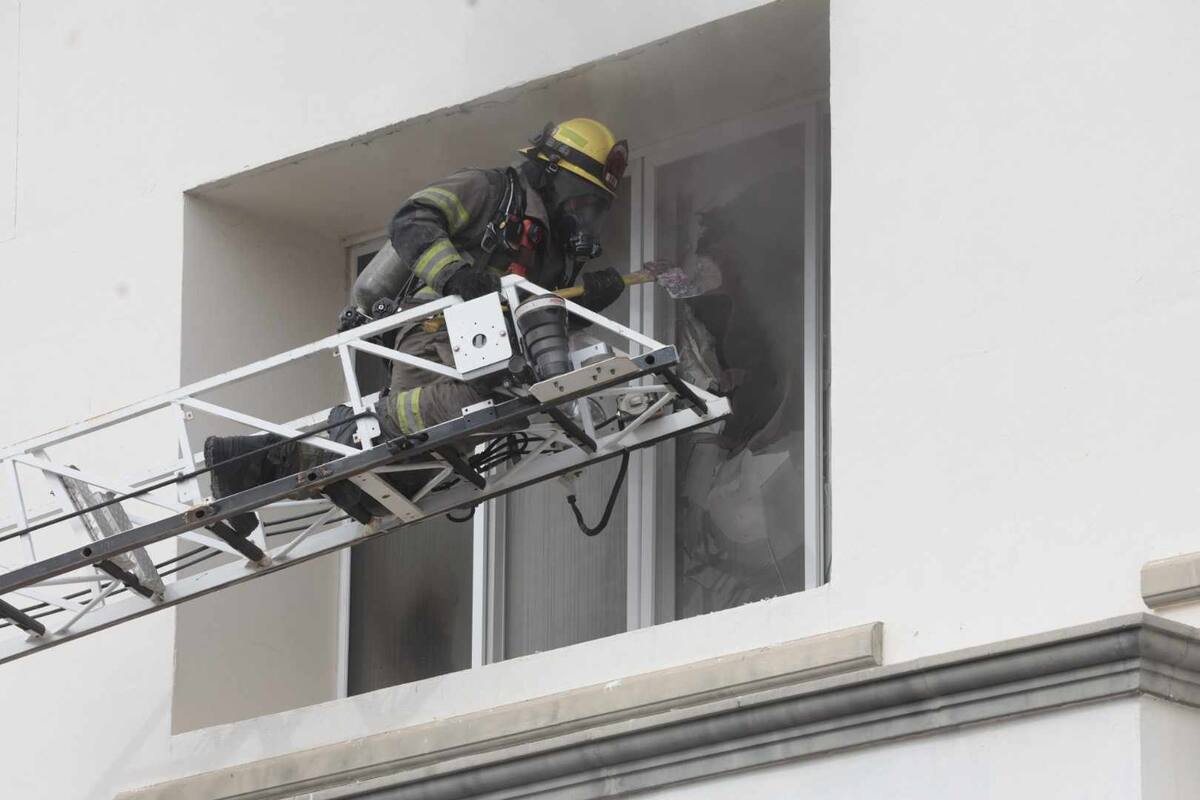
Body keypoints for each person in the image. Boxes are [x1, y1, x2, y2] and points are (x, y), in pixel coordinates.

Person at [203, 119, 630, 528]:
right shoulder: (491, 190)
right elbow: (413, 220)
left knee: (398, 476)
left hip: (488, 353)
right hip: (436, 333)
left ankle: (247, 469)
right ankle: (267, 458)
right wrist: (455, 275)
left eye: (595, 204)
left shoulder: (555, 252)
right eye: (580, 196)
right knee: (453, 417)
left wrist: (586, 302)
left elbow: (533, 322)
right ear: (551, 172)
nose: (584, 212)